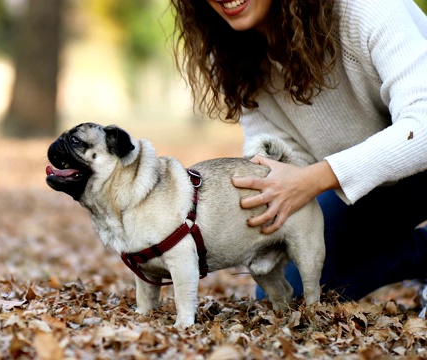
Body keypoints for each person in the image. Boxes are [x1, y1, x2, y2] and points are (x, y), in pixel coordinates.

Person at [169, 0, 427, 316]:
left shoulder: (367, 8)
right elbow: (278, 156)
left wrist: (311, 179)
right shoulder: (230, 50)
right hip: (369, 182)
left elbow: (423, 124)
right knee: (288, 292)